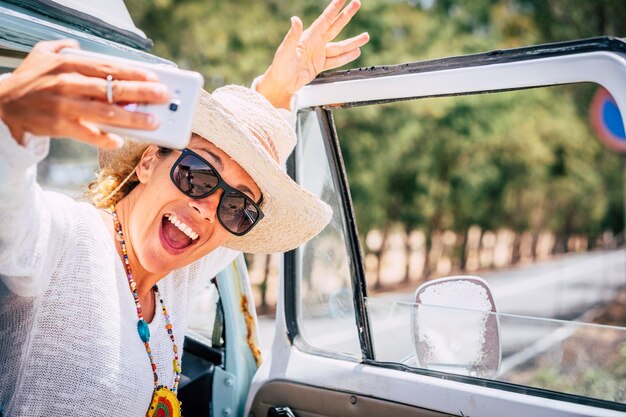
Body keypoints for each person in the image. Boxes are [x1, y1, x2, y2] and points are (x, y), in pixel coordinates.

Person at [0, 1, 369, 416]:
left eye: (237, 208)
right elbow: (6, 206)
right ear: (148, 161)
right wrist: (12, 121)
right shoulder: (63, 238)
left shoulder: (174, 279)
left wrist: (279, 90)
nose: (210, 208)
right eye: (198, 173)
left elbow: (249, 184)